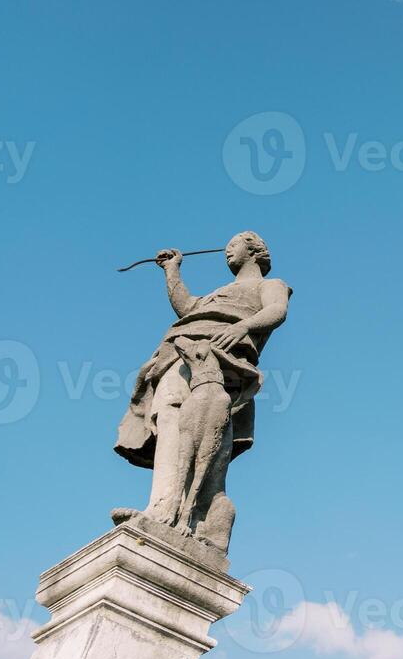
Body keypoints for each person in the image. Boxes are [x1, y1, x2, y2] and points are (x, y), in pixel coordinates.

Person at [113, 231, 291, 551]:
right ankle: (162, 506)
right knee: (168, 420)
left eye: (233, 245)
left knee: (204, 436)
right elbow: (189, 309)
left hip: (220, 360)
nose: (227, 252)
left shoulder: (269, 284)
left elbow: (277, 310)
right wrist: (173, 272)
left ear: (253, 250)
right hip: (180, 353)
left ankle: (194, 514)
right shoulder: (219, 293)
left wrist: (244, 326)